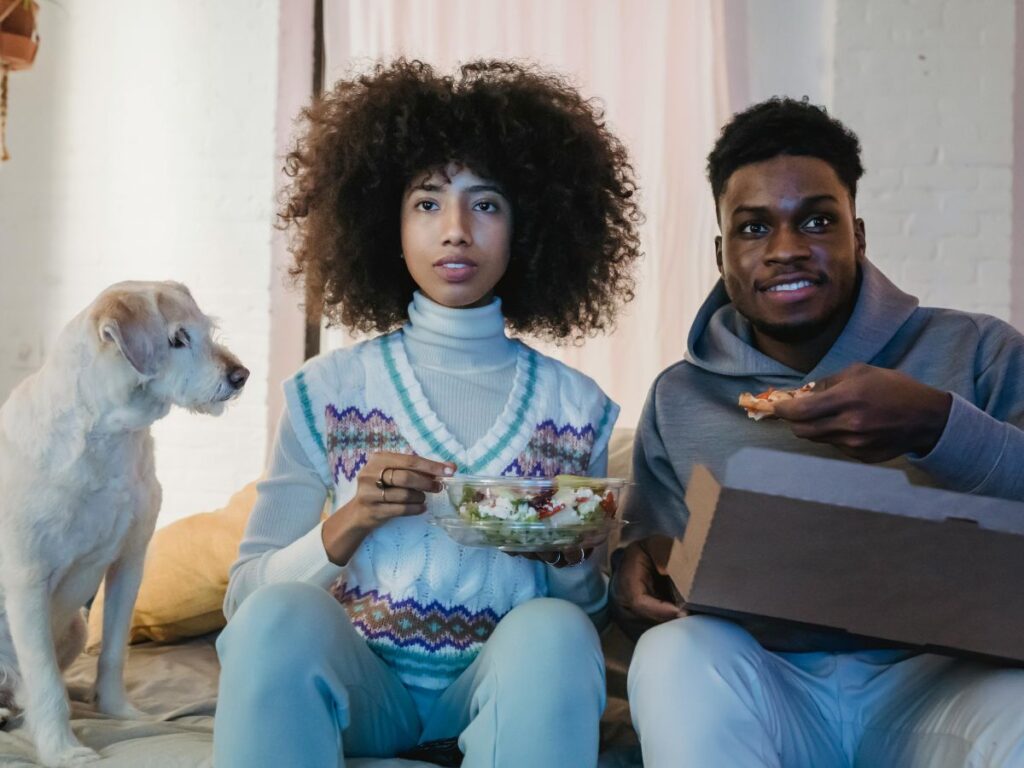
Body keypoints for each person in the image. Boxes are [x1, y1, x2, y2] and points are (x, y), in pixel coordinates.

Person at [213, 59, 641, 768]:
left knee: (557, 629)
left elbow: (587, 623)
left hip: (491, 692)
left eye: (488, 204)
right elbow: (244, 604)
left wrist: (566, 565)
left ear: (528, 224)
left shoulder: (579, 410)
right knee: (279, 617)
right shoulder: (326, 391)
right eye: (427, 202)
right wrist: (348, 521)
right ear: (385, 220)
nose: (456, 230)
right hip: (362, 690)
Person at [612, 97, 1024, 767]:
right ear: (722, 254)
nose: (786, 249)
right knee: (671, 656)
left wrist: (935, 424)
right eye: (753, 228)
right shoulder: (678, 396)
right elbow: (655, 557)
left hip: (944, 679)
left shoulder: (976, 350)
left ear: (857, 235)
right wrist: (629, 576)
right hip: (769, 687)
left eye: (816, 220)